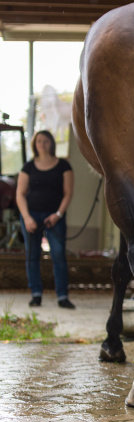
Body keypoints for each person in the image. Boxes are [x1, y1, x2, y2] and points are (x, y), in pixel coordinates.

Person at [15, 130, 76, 309]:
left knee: (58, 255)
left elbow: (68, 193)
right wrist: (27, 218)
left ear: (51, 143)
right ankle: (36, 294)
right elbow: (20, 194)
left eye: (46, 141)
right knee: (32, 256)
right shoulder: (28, 167)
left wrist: (58, 214)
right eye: (39, 141)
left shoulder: (63, 166)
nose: (42, 144)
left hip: (54, 217)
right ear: (35, 144)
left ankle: (62, 296)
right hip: (31, 216)